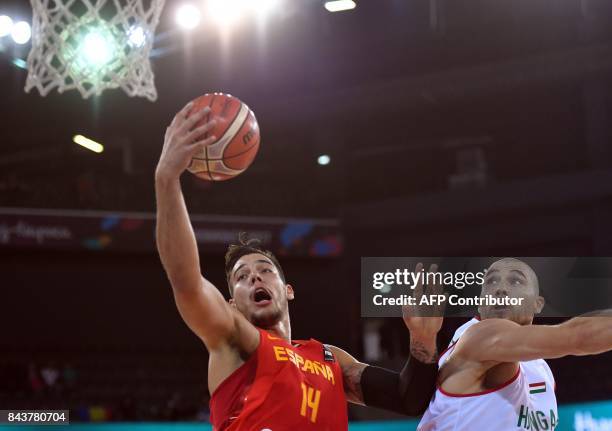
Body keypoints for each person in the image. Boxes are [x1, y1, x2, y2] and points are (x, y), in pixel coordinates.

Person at [155, 101, 443, 430]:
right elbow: (187, 283)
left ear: (287, 289)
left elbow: (409, 398)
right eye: (242, 277)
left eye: (264, 270)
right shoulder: (235, 343)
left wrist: (423, 339)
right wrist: (167, 179)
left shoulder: (329, 358)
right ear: (231, 303)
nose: (253, 277)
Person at [418, 257, 612, 431]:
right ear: (479, 302)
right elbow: (579, 337)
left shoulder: (540, 368)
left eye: (515, 280)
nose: (500, 288)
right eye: (491, 281)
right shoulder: (480, 337)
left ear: (538, 303)